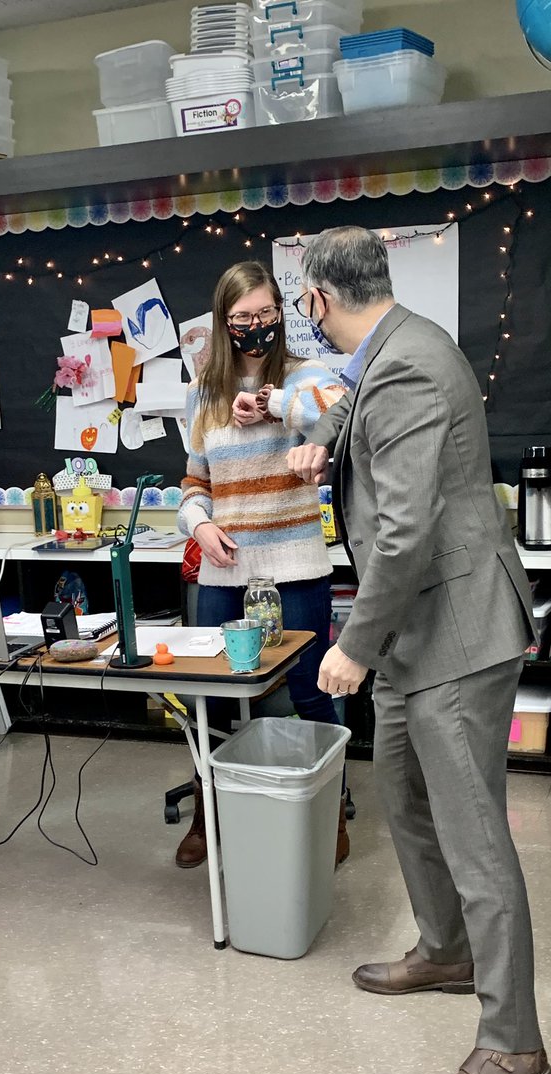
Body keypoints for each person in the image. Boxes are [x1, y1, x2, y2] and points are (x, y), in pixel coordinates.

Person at [287, 225, 551, 1074]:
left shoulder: (407, 365)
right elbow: (352, 407)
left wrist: (354, 644)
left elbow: (401, 532)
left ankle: (514, 1046)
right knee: (401, 793)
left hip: (453, 627)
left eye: (301, 303)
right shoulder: (389, 349)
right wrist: (317, 441)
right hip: (416, 627)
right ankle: (446, 950)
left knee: (475, 836)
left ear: (318, 299)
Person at [177, 260, 350, 870]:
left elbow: (344, 415)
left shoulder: (307, 377)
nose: (255, 326)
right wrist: (199, 524)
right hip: (225, 571)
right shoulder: (202, 392)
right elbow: (194, 482)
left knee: (309, 688)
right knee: (211, 698)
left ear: (281, 314)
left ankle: (330, 812)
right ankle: (206, 815)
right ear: (224, 323)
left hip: (298, 563)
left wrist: (275, 403)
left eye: (266, 315)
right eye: (242, 318)